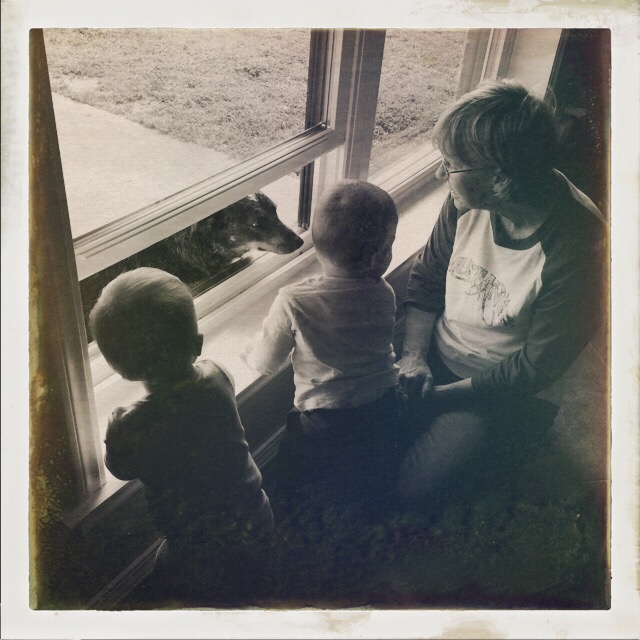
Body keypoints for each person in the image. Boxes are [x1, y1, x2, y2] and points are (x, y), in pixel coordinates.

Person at [396, 79, 607, 515]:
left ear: (500, 178)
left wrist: (438, 397)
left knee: (413, 492)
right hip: (437, 352)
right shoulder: (464, 200)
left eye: (451, 165)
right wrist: (413, 357)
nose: (440, 175)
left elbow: (535, 367)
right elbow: (428, 279)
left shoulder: (578, 244)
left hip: (500, 386)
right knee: (363, 435)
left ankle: (505, 441)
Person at [90, 267, 273, 604]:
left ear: (121, 369)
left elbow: (121, 469)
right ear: (197, 343)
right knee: (252, 575)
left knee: (171, 574)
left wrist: (116, 430)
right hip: (254, 511)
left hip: (197, 542)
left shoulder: (134, 423)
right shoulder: (217, 374)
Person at [243, 180, 403, 525]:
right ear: (380, 255)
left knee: (295, 471)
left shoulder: (294, 300)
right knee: (369, 469)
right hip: (385, 402)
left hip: (325, 418)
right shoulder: (383, 292)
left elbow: (266, 362)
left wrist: (248, 352)